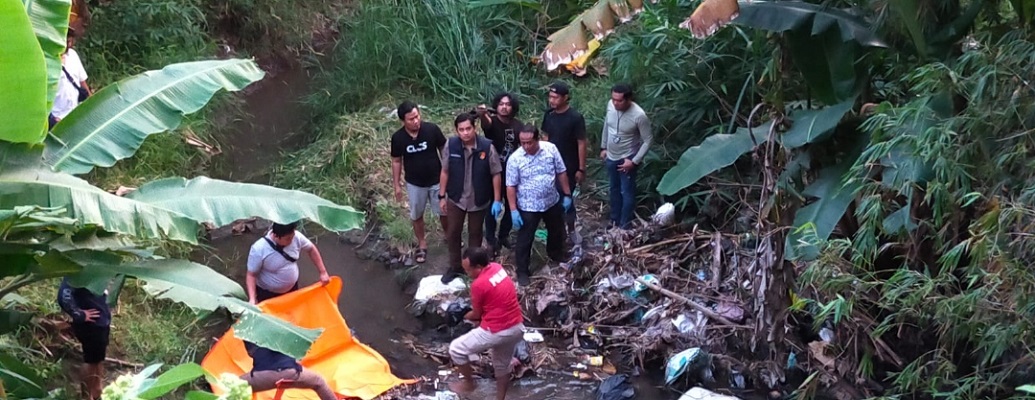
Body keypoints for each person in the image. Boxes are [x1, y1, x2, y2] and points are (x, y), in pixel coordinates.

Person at [448, 247, 524, 400]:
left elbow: (476, 314)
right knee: (501, 366)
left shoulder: (478, 285)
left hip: (496, 331)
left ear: (478, 267)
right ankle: (500, 398)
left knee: (456, 349)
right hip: (517, 327)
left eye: (468, 271)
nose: (468, 274)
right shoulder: (497, 268)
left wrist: (462, 315)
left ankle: (469, 383)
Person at [439, 113, 503, 284]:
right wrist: (441, 196)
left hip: (478, 199)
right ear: (456, 131)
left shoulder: (486, 146)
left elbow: (496, 174)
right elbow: (445, 171)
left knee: (475, 235)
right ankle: (455, 266)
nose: (465, 133)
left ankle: (472, 270)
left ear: (474, 128)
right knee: (453, 233)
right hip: (456, 197)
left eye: (468, 129)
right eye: (461, 130)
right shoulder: (451, 145)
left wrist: (497, 200)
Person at [506, 124, 572, 286]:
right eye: (523, 143)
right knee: (525, 239)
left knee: (556, 230)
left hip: (551, 201)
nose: (526, 146)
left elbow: (561, 171)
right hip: (528, 205)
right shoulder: (515, 158)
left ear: (537, 139)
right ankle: (522, 271)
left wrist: (567, 194)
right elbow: (511, 186)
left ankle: (556, 254)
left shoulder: (550, 149)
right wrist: (513, 210)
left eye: (530, 142)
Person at [391, 101, 449, 263]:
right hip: (414, 183)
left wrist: (449, 171)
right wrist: (396, 185)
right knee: (417, 214)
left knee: (444, 211)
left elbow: (444, 149)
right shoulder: (398, 138)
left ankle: (449, 236)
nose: (416, 121)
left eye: (417, 117)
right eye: (411, 119)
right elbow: (396, 161)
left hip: (437, 180)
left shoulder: (431, 129)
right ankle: (422, 244)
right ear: (403, 121)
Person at [600, 83, 653, 229]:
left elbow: (648, 140)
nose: (615, 103)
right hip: (611, 155)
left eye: (619, 100)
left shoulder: (639, 115)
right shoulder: (610, 106)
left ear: (629, 99)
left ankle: (625, 224)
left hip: (627, 157)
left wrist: (634, 161)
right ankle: (614, 220)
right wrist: (603, 146)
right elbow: (607, 125)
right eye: (614, 99)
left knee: (626, 192)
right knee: (614, 189)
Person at [540, 82, 587, 244]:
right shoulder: (549, 115)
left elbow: (581, 142)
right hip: (550, 165)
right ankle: (557, 233)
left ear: (565, 98)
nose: (552, 100)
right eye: (550, 97)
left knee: (566, 198)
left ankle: (571, 229)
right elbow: (545, 138)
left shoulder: (574, 118)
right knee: (552, 200)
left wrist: (581, 168)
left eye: (555, 97)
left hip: (569, 165)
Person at [477, 93, 523, 255]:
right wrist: (483, 114)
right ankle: (490, 240)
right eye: (501, 104)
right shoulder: (492, 122)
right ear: (496, 106)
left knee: (511, 207)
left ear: (513, 107)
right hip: (491, 172)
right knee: (491, 207)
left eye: (508, 104)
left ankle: (503, 235)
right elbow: (486, 125)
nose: (504, 107)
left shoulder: (518, 126)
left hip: (511, 173)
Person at [246, 222, 330, 304]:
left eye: (292, 236)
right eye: (288, 239)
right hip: (268, 294)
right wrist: (252, 299)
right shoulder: (259, 249)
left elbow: (311, 249)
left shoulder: (296, 237)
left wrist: (323, 272)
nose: (292, 240)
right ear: (276, 236)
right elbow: (251, 275)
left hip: (292, 289)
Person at [57, 278, 110, 400]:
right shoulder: (78, 271)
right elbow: (64, 295)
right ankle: (86, 396)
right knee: (91, 361)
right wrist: (79, 314)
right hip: (90, 326)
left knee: (98, 359)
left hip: (100, 324)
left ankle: (97, 391)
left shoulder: (95, 268)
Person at [241, 341, 338, 400]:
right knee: (318, 381)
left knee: (232, 385)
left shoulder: (250, 332)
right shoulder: (279, 329)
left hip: (264, 375)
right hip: (291, 372)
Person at [51, 28, 92, 128]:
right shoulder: (49, 60)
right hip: (56, 117)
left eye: (71, 41)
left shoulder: (73, 55)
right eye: (67, 41)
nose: (69, 45)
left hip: (74, 113)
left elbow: (82, 82)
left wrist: (91, 102)